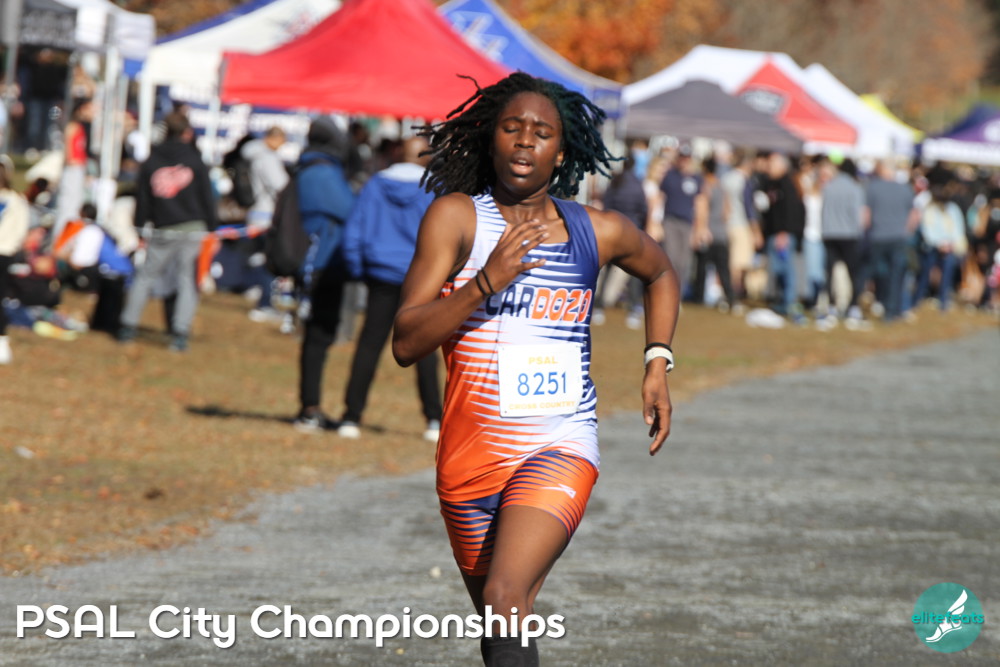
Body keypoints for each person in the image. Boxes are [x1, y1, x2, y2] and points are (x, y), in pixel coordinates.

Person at [391, 72, 679, 666]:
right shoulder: (457, 220)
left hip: (559, 443)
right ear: (490, 138)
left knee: (503, 596)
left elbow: (661, 272)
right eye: (512, 127)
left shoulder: (595, 230)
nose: (525, 140)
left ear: (561, 152)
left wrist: (657, 360)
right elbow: (405, 341)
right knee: (503, 615)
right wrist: (484, 283)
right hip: (469, 457)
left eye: (542, 132)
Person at [336, 136, 443, 440]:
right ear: (426, 157)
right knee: (425, 348)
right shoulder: (433, 188)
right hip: (420, 279)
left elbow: (354, 229)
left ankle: (351, 416)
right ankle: (434, 420)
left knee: (369, 344)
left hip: (380, 272)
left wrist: (358, 268)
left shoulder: (375, 184)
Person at [118, 111, 217, 352]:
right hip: (192, 228)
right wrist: (213, 228)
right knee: (187, 281)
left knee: (145, 276)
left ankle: (127, 326)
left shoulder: (152, 160)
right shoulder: (195, 160)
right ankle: (180, 333)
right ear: (187, 132)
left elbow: (143, 199)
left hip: (162, 228)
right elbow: (207, 197)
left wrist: (140, 228)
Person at [292, 117, 357, 432]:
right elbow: (349, 210)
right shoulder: (323, 172)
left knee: (316, 336)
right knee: (318, 336)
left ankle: (310, 406)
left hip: (315, 260)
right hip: (323, 262)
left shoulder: (308, 167)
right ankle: (310, 408)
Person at [241, 126, 290, 322]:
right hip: (267, 216)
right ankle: (265, 303)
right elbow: (281, 187)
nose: (283, 144)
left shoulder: (255, 155)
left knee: (259, 257)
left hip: (257, 213)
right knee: (269, 260)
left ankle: (257, 292)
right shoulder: (267, 158)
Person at [818, 158, 870, 330]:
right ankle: (853, 307)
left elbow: (824, 211)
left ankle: (831, 307)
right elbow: (857, 214)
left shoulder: (829, 187)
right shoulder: (855, 188)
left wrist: (825, 231)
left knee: (830, 272)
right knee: (853, 273)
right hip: (849, 235)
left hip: (830, 234)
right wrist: (858, 232)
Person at [598, 153, 648, 329]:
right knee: (634, 271)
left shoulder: (615, 181)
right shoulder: (637, 183)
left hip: (612, 230)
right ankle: (633, 309)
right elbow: (643, 208)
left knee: (606, 270)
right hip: (631, 231)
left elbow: (605, 205)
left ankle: (598, 307)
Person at [864, 160, 917, 322]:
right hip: (898, 238)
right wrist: (906, 231)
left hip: (878, 237)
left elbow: (866, 215)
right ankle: (892, 310)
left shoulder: (872, 188)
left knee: (879, 273)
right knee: (896, 275)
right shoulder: (905, 189)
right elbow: (914, 214)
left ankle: (882, 303)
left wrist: (867, 231)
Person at [759, 153, 805, 321]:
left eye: (772, 163)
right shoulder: (772, 183)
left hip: (782, 235)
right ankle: (781, 301)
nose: (768, 166)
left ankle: (789, 303)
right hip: (775, 233)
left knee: (786, 270)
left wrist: (784, 232)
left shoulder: (787, 184)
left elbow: (791, 211)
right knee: (777, 270)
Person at [691, 156, 735, 310]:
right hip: (721, 234)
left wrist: (701, 230)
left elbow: (701, 208)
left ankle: (698, 298)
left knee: (701, 268)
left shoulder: (705, 186)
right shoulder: (722, 187)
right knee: (723, 270)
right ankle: (731, 298)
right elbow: (727, 212)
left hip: (707, 233)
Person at [658, 143, 703, 298]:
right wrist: (656, 222)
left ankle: (678, 295)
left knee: (683, 262)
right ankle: (666, 293)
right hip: (670, 221)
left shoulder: (696, 178)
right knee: (670, 257)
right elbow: (660, 198)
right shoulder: (670, 175)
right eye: (682, 157)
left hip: (687, 223)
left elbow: (700, 204)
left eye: (687, 158)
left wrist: (699, 229)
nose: (684, 161)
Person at [0, 158, 31, 364]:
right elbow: (21, 230)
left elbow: (20, 230)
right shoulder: (17, 200)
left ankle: (2, 342)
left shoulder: (15, 200)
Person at [55, 98, 94, 238]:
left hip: (79, 169)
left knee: (75, 204)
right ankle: (60, 236)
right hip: (73, 169)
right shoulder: (72, 127)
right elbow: (70, 154)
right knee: (68, 205)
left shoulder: (82, 127)